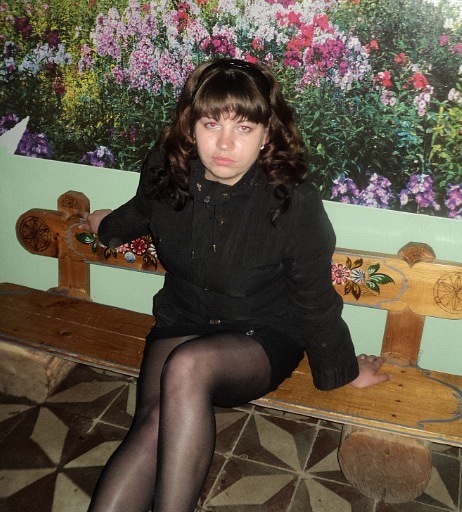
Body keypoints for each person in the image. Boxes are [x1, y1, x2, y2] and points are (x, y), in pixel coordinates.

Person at [81, 58, 389, 512]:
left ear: (266, 134)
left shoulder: (292, 204)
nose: (224, 144)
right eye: (211, 124)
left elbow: (315, 302)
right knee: (153, 421)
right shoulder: (167, 171)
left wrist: (344, 370)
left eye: (243, 128)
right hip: (184, 316)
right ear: (192, 127)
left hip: (262, 334)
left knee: (188, 366)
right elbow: (141, 210)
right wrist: (106, 228)